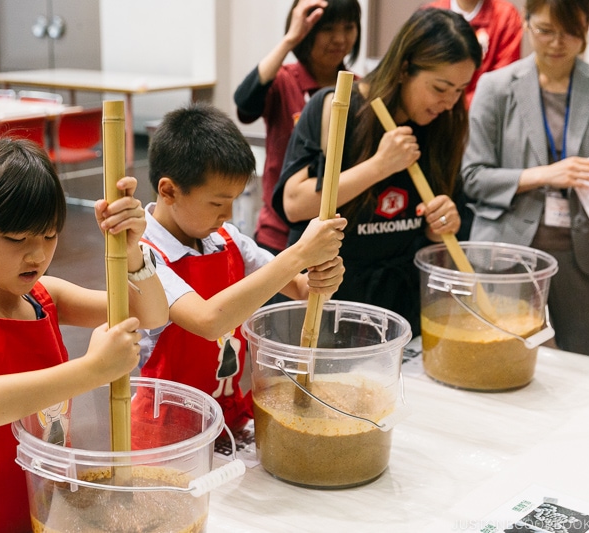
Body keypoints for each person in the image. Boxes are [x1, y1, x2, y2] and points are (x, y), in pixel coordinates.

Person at [0, 138, 168, 531]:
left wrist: (133, 249)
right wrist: (92, 369)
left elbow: (151, 312)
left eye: (49, 236)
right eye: (17, 240)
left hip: (45, 511)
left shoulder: (45, 297)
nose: (36, 255)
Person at [273, 7, 482, 334]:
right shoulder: (338, 106)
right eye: (440, 88)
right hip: (328, 299)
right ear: (404, 69)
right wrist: (379, 166)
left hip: (399, 306)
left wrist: (443, 223)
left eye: (460, 90)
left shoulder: (444, 126)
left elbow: (443, 222)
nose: (450, 102)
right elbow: (295, 204)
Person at [139, 103, 346, 432]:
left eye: (235, 200)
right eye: (218, 203)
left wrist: (323, 278)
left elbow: (300, 289)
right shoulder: (141, 256)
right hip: (167, 430)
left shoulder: (226, 239)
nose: (229, 215)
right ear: (169, 191)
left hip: (224, 417)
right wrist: (300, 252)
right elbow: (207, 321)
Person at [462, 0, 589, 358]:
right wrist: (543, 175)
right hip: (506, 249)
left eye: (570, 32)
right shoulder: (495, 87)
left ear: (587, 25)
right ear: (526, 23)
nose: (556, 43)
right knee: (501, 359)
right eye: (545, 30)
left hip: (582, 250)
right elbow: (473, 178)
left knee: (587, 368)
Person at [234, 0, 362, 255]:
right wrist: (290, 39)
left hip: (335, 237)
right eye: (328, 29)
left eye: (348, 27)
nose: (339, 39)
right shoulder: (283, 79)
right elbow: (244, 104)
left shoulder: (359, 89)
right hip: (279, 237)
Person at [425, 0, 523, 106]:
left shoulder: (506, 16)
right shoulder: (430, 14)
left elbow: (502, 82)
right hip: (435, 109)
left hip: (484, 111)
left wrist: (460, 111)